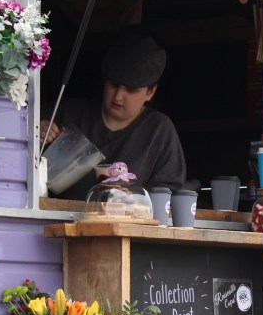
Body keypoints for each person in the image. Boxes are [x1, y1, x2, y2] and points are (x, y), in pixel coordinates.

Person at [41, 28, 186, 199]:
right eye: (113, 84)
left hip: (127, 223)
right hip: (57, 222)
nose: (118, 96)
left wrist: (136, 199)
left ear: (150, 92)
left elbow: (168, 194)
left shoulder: (159, 130)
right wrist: (36, 131)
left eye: (130, 90)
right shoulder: (67, 112)